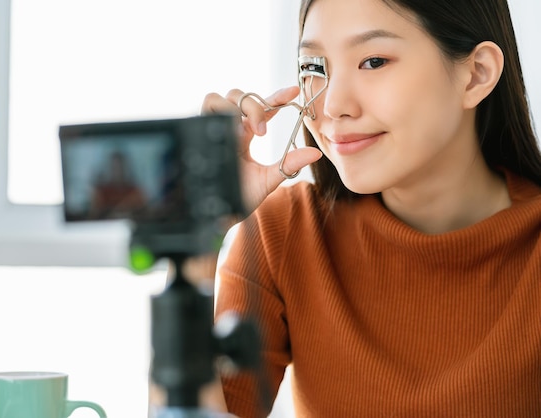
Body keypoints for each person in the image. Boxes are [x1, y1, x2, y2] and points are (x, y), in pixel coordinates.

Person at [200, 0, 541, 417]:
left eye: (374, 61)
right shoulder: (284, 233)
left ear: (477, 74)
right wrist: (197, 230)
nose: (331, 106)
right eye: (314, 68)